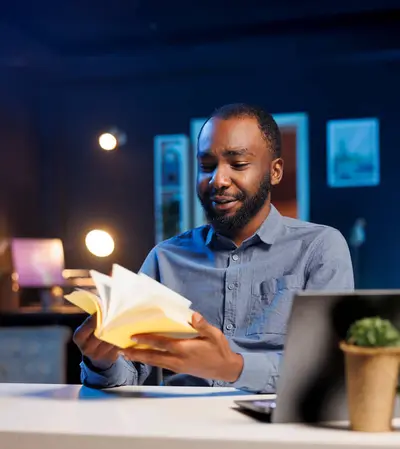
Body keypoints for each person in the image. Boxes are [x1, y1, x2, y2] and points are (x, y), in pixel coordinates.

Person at [74, 103, 354, 393]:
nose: (218, 180)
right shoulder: (165, 258)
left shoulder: (320, 249)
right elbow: (129, 371)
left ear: (275, 171)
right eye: (206, 166)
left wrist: (232, 367)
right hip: (180, 430)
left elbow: (328, 369)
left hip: (275, 431)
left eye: (238, 164)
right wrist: (100, 361)